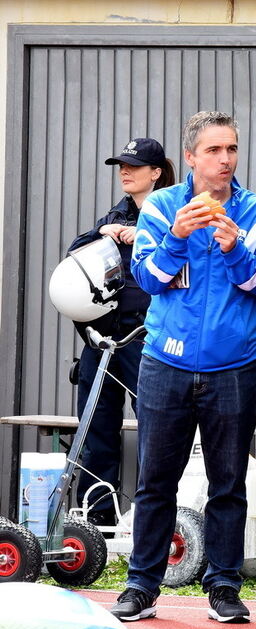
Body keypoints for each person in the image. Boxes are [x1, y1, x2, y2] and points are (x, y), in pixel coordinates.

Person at [110, 111, 256, 624]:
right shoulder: (162, 207)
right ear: (189, 157)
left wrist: (234, 251)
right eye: (214, 150)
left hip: (235, 366)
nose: (225, 159)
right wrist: (178, 237)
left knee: (228, 483)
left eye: (231, 149)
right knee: (155, 480)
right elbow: (150, 280)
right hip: (166, 363)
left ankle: (224, 585)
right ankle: (142, 585)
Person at [68, 138, 175, 526]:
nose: (124, 172)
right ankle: (97, 520)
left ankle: (152, 521)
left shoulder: (170, 211)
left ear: (156, 173)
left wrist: (142, 235)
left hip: (146, 336)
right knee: (95, 425)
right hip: (104, 336)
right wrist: (107, 233)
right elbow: (75, 254)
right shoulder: (119, 212)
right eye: (121, 166)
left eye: (133, 166)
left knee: (156, 431)